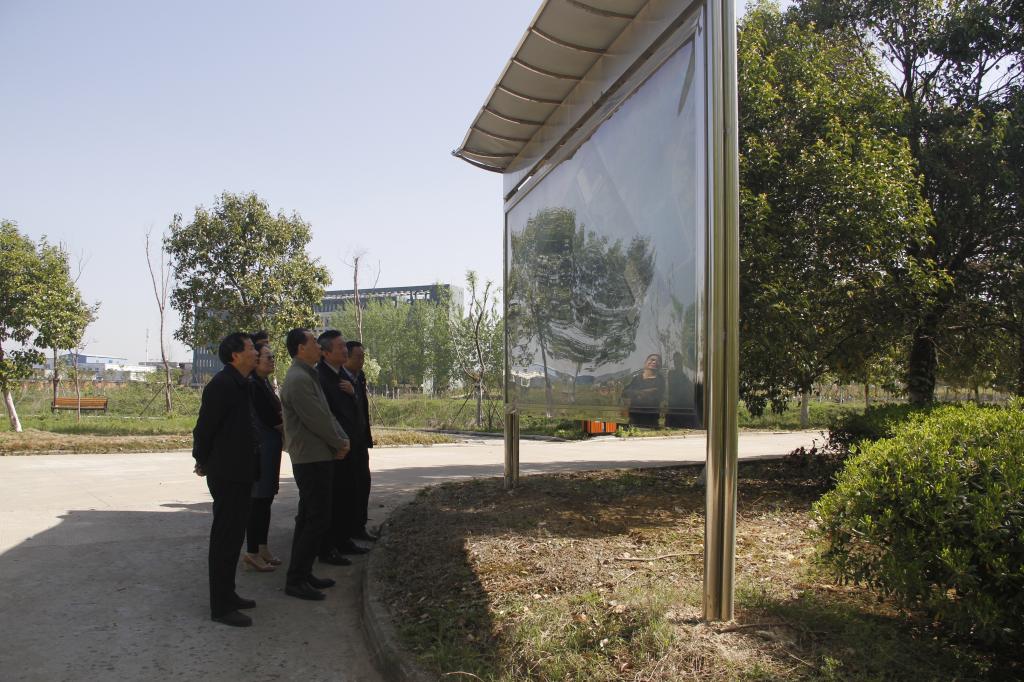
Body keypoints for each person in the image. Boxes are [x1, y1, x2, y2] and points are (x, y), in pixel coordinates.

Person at [192, 332, 260, 627]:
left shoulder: (243, 383)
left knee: (234, 537)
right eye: (251, 348)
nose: (256, 352)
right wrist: (202, 460)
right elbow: (204, 428)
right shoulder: (222, 385)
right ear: (235, 355)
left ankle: (229, 594)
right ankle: (220, 607)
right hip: (227, 472)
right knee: (224, 539)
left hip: (242, 470)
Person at [279, 328, 350, 601]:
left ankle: (303, 573)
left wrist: (341, 439)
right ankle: (296, 579)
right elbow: (316, 419)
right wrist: (339, 442)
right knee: (316, 519)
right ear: (300, 348)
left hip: (318, 455)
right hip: (310, 458)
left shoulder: (308, 375)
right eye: (313, 342)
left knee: (310, 517)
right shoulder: (298, 379)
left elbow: (325, 413)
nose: (319, 347)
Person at [316, 330, 370, 558]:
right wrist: (338, 442)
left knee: (350, 492)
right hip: (335, 448)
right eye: (341, 347)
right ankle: (329, 546)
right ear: (326, 352)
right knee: (335, 498)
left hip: (352, 443)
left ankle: (344, 538)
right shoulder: (320, 377)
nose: (345, 351)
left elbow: (356, 411)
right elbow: (326, 416)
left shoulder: (342, 376)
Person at [242, 339, 284, 572]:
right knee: (258, 501)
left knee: (266, 500)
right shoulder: (253, 386)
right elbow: (273, 419)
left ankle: (262, 547)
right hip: (262, 450)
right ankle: (252, 552)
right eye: (268, 357)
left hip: (271, 449)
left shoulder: (264, 383)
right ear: (257, 360)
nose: (272, 360)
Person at [344, 340, 377, 542]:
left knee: (364, 484)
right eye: (358, 357)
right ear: (346, 357)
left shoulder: (359, 377)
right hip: (346, 442)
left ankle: (359, 526)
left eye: (363, 356)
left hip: (360, 439)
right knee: (349, 488)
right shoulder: (339, 379)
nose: (362, 360)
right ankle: (347, 530)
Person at [622, 353, 665, 428]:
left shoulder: (660, 380)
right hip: (634, 417)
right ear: (645, 362)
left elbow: (655, 397)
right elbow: (625, 393)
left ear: (660, 366)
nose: (654, 362)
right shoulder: (636, 378)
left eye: (658, 361)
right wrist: (641, 392)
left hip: (651, 419)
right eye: (652, 359)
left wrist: (636, 394)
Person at [665, 351, 700, 428]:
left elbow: (692, 388)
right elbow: (670, 389)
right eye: (675, 361)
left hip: (688, 407)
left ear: (682, 360)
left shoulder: (690, 373)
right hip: (674, 407)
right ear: (674, 361)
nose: (677, 362)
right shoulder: (671, 373)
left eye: (679, 360)